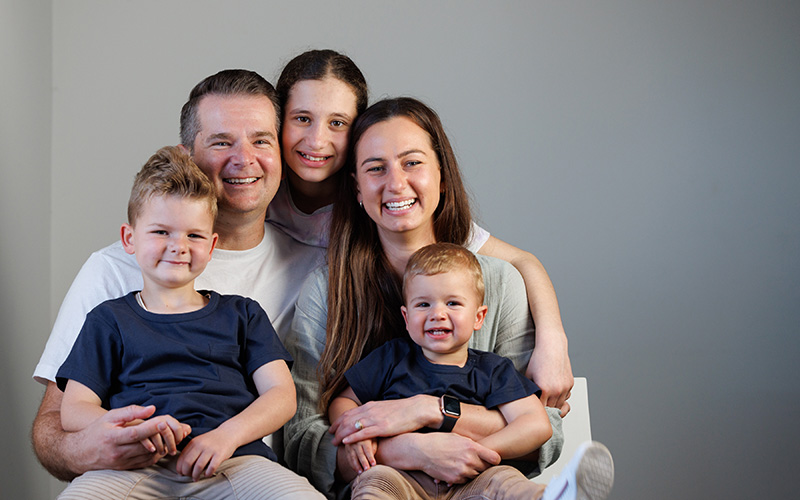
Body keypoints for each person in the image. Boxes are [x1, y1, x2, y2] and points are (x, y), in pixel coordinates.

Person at [31, 69, 325, 482]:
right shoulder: (114, 270)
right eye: (221, 141)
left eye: (261, 140)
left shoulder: (316, 270)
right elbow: (52, 426)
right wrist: (98, 445)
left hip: (244, 474)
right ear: (186, 154)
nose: (245, 158)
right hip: (138, 472)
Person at [283, 97, 564, 498]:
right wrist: (404, 449)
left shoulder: (500, 283)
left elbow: (543, 427)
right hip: (386, 482)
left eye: (412, 163)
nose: (396, 183)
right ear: (358, 188)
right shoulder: (327, 291)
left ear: (442, 177)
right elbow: (303, 435)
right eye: (375, 168)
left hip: (479, 480)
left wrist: (427, 411)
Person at [269, 49, 573, 410]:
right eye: (302, 118)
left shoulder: (402, 215)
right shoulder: (257, 199)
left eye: (337, 123)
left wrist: (553, 340)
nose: (317, 140)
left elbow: (520, 261)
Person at [330, 242, 557, 499]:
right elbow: (345, 400)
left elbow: (537, 425)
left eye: (452, 303)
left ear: (478, 317)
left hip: (472, 480)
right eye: (423, 305)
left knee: (506, 481)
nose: (437, 314)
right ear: (406, 317)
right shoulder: (391, 358)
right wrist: (357, 433)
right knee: (374, 481)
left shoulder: (492, 370)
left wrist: (474, 451)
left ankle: (554, 495)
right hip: (402, 476)